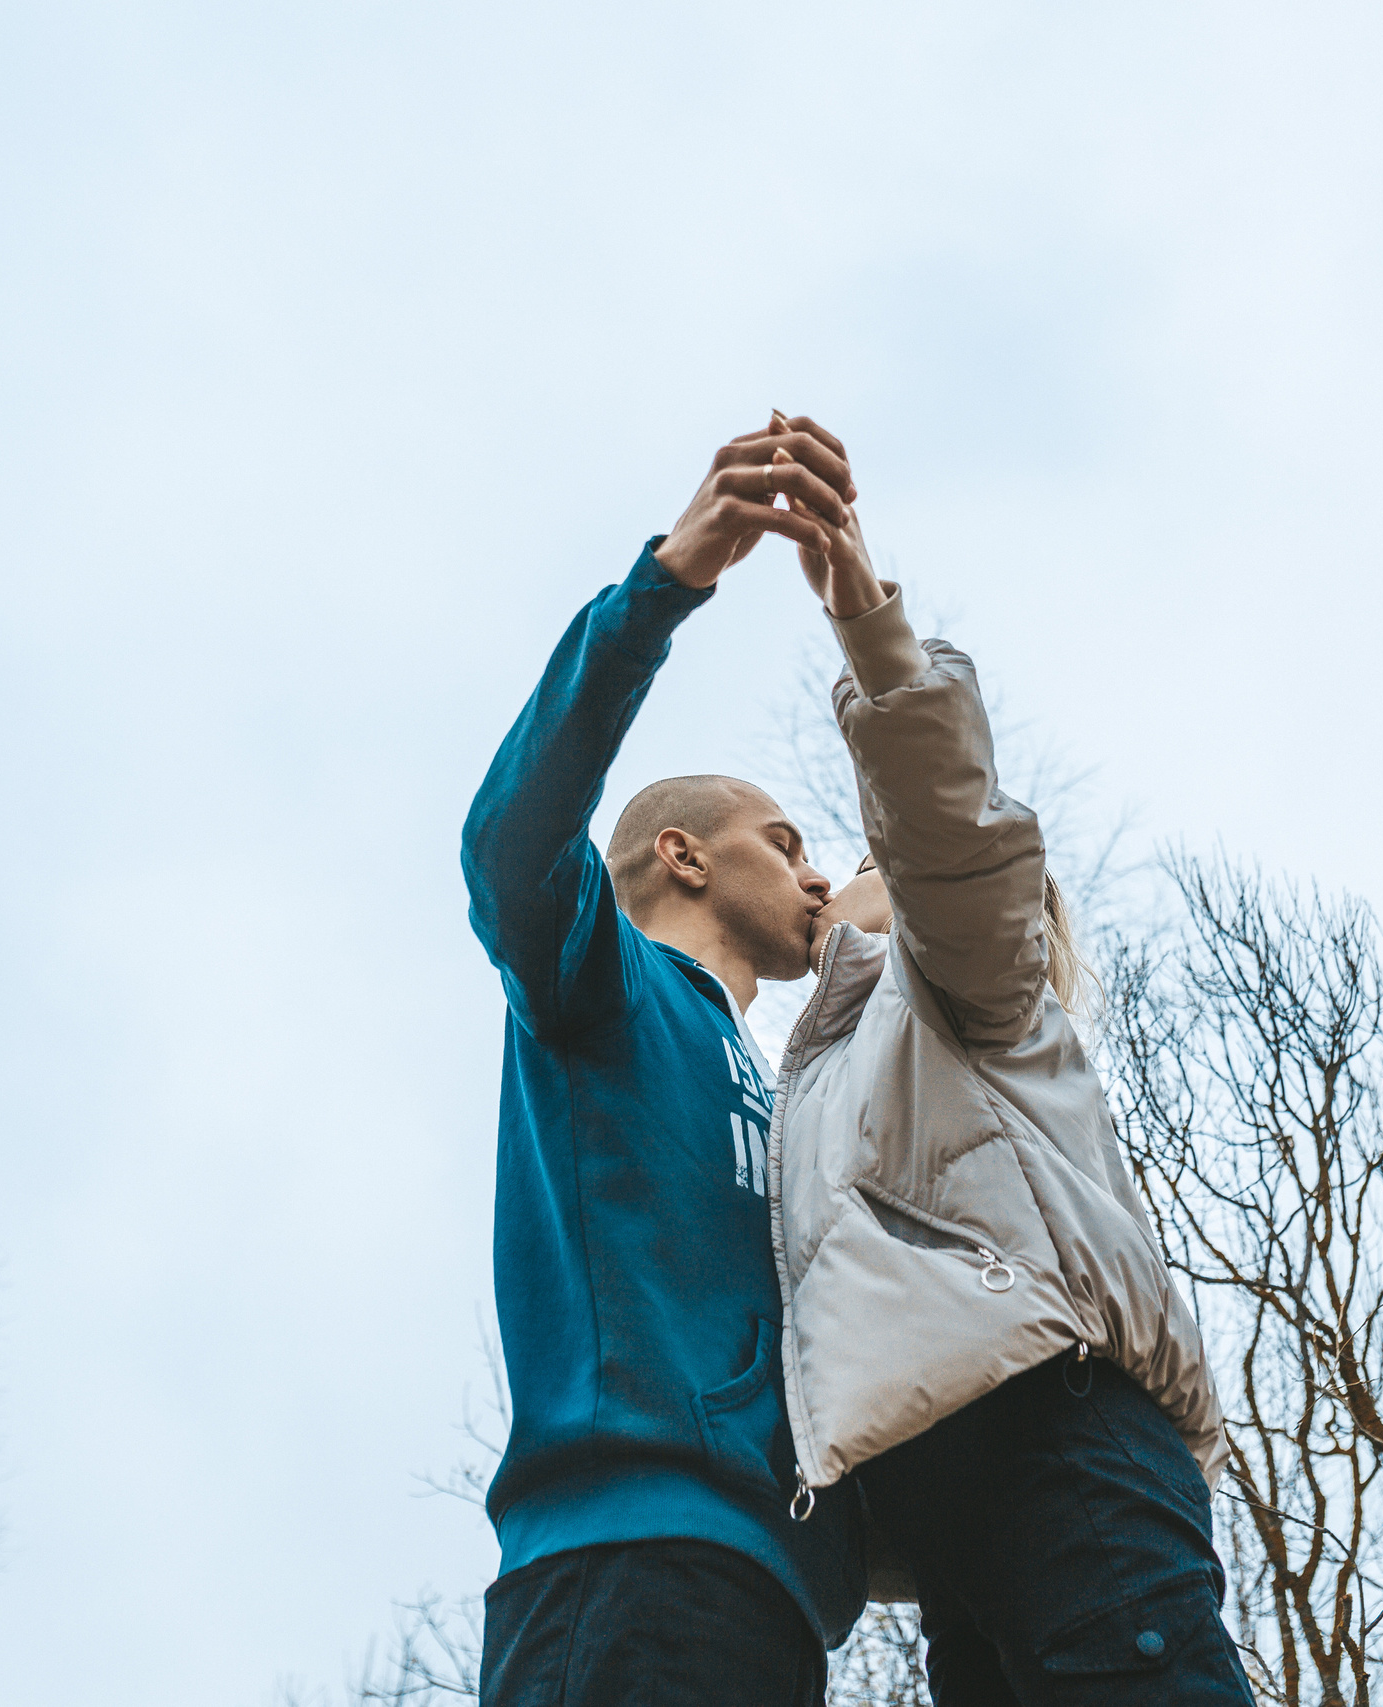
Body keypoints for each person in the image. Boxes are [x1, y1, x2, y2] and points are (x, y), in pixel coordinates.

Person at [764, 452, 1248, 1704]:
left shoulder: (962, 985)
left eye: (853, 861)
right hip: (947, 1524)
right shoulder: (817, 1069)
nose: (828, 878)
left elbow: (951, 843)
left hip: (1058, 1448)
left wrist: (872, 634)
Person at [459, 415, 873, 1706]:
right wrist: (666, 586)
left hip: (775, 1600)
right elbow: (511, 841)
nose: (817, 870)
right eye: (785, 837)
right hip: (625, 1563)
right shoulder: (604, 989)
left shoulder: (790, 1082)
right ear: (686, 856)